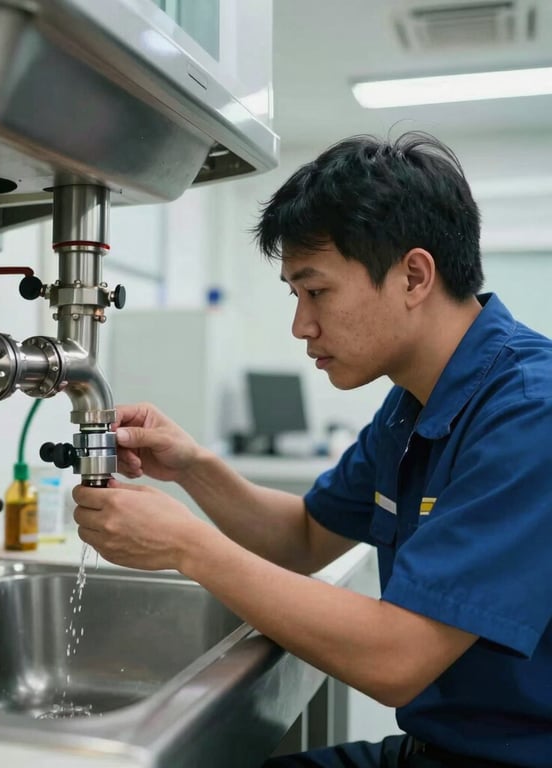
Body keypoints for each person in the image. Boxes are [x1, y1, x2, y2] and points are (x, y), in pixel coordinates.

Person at [72, 132, 552, 768]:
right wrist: (193, 466)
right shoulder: (415, 403)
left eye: (316, 291)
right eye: (295, 296)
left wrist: (186, 545)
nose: (301, 324)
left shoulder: (529, 411)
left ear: (413, 275)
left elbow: (396, 657)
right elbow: (304, 536)